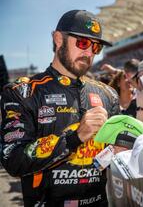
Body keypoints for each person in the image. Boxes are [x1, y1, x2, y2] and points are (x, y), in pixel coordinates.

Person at [0, 10, 120, 206]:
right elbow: (13, 160)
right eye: (82, 43)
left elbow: (115, 156)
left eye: (96, 47)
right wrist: (75, 138)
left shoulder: (108, 94)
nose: (89, 53)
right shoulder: (23, 92)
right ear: (58, 39)